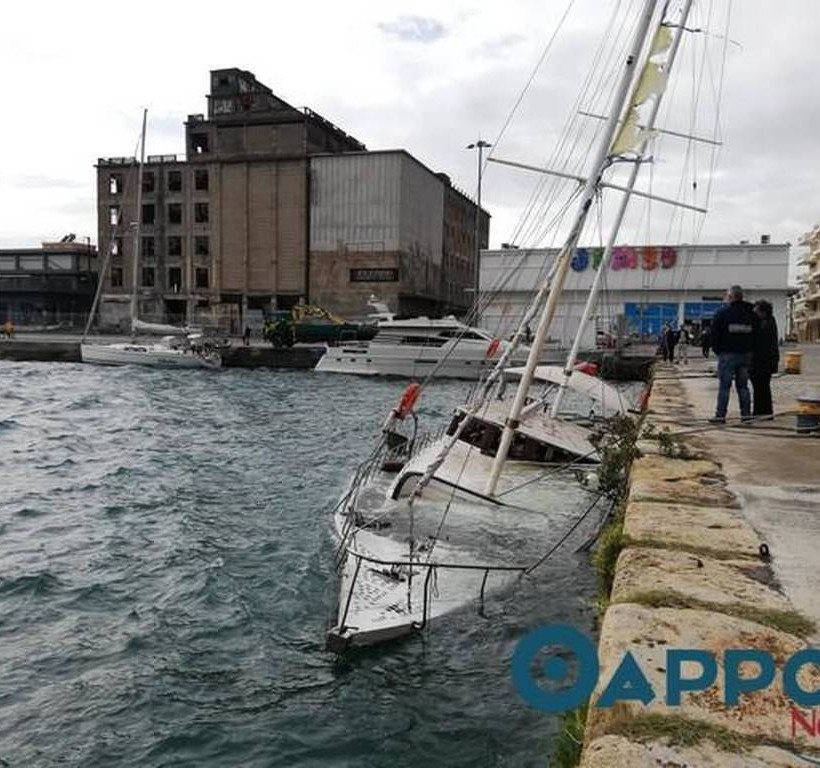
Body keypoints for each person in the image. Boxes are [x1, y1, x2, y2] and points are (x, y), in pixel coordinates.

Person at [709, 285, 760, 424]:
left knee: (724, 387)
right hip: (746, 355)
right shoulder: (752, 315)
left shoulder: (722, 313)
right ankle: (746, 416)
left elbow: (714, 335)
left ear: (730, 297)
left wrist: (718, 351)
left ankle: (720, 416)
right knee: (743, 386)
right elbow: (757, 336)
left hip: (727, 355)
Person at [750, 300, 779, 419]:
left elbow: (760, 341)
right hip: (764, 361)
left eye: (756, 311)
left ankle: (761, 412)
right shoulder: (768, 322)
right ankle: (763, 412)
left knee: (761, 387)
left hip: (763, 362)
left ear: (763, 312)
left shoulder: (766, 324)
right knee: (761, 387)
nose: (754, 314)